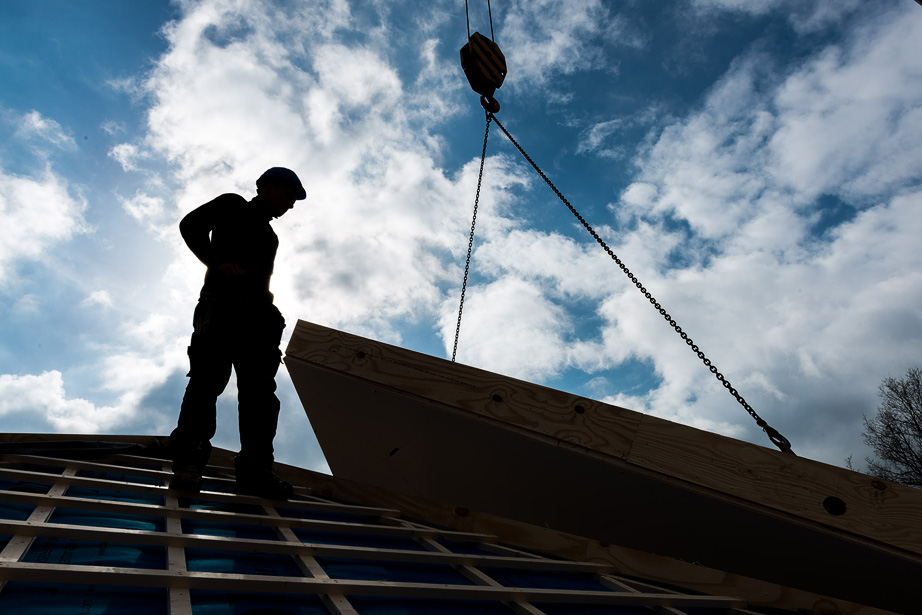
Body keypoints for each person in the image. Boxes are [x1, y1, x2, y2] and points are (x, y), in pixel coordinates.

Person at [168, 167, 306, 499]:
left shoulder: (271, 237)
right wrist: (215, 263)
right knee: (205, 384)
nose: (290, 204)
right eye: (288, 195)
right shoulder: (232, 205)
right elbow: (190, 225)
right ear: (268, 188)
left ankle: (255, 473)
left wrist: (271, 313)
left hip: (258, 321)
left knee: (260, 397)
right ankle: (189, 464)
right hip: (221, 310)